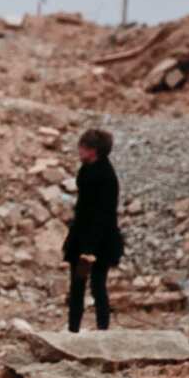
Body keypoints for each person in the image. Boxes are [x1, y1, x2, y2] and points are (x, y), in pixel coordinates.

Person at [62, 128, 123, 332]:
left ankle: (102, 330)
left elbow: (103, 215)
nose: (79, 150)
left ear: (93, 150)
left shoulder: (105, 176)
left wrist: (89, 248)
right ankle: (73, 330)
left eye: (83, 147)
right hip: (83, 237)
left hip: (100, 241)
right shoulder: (87, 169)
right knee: (77, 286)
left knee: (98, 285)